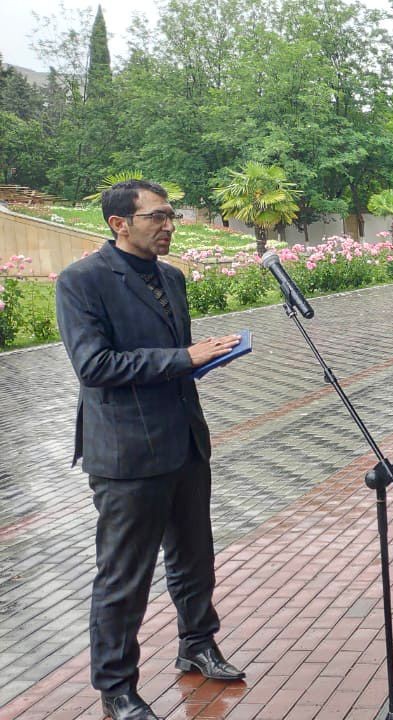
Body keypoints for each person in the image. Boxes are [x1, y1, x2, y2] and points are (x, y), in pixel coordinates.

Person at [55, 180, 246, 720]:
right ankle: (117, 687)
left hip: (184, 441)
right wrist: (184, 358)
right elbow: (94, 366)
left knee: (194, 558)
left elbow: (175, 355)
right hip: (127, 456)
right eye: (157, 217)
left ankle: (198, 644)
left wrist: (203, 358)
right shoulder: (82, 282)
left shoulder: (171, 276)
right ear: (119, 224)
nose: (168, 226)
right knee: (124, 577)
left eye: (171, 217)